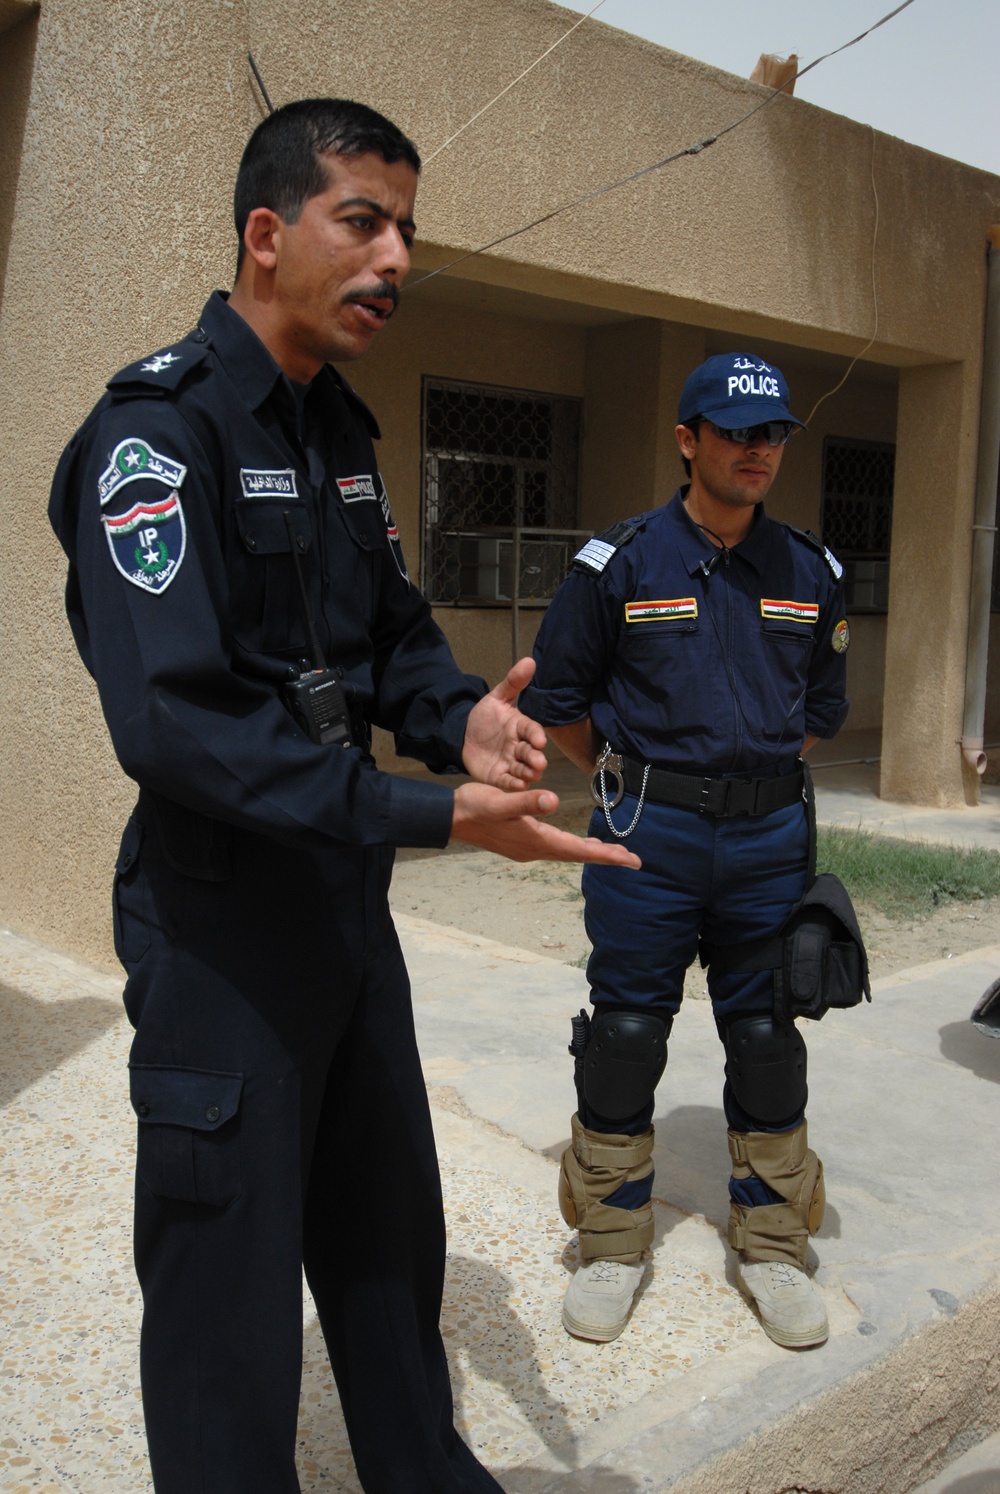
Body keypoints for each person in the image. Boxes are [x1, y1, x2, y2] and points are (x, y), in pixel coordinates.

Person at [48, 98, 639, 1494]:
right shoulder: (155, 434)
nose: (395, 260)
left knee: (386, 1241)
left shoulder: (337, 430)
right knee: (225, 1302)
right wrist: (434, 815)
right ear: (267, 234)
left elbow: (387, 639)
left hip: (342, 915)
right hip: (219, 927)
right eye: (362, 220)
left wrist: (464, 723)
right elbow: (181, 726)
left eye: (407, 230)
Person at [519, 352, 850, 1351]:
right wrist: (637, 781)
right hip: (645, 835)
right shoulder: (615, 565)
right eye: (737, 432)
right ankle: (614, 1243)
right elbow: (559, 699)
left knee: (765, 1039)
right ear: (687, 439)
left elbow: (816, 715)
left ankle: (772, 1244)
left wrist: (740, 787)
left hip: (766, 839)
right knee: (624, 1034)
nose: (758, 451)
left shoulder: (810, 570)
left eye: (773, 434)